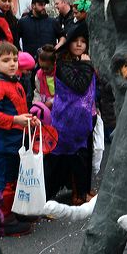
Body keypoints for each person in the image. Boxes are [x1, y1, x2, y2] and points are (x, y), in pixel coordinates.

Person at [0, 42, 34, 237]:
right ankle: (1, 219)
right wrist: (16, 120)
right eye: (6, 61)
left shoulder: (16, 82)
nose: (12, 64)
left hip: (17, 142)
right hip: (5, 144)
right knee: (4, 182)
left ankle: (12, 212)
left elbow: (20, 111)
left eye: (14, 59)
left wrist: (29, 119)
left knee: (14, 180)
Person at [45, 22, 97, 207]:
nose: (79, 44)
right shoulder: (63, 64)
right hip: (66, 121)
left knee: (83, 157)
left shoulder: (85, 62)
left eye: (83, 41)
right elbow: (79, 85)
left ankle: (81, 192)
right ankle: (49, 195)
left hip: (84, 119)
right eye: (75, 41)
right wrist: (86, 65)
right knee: (61, 158)